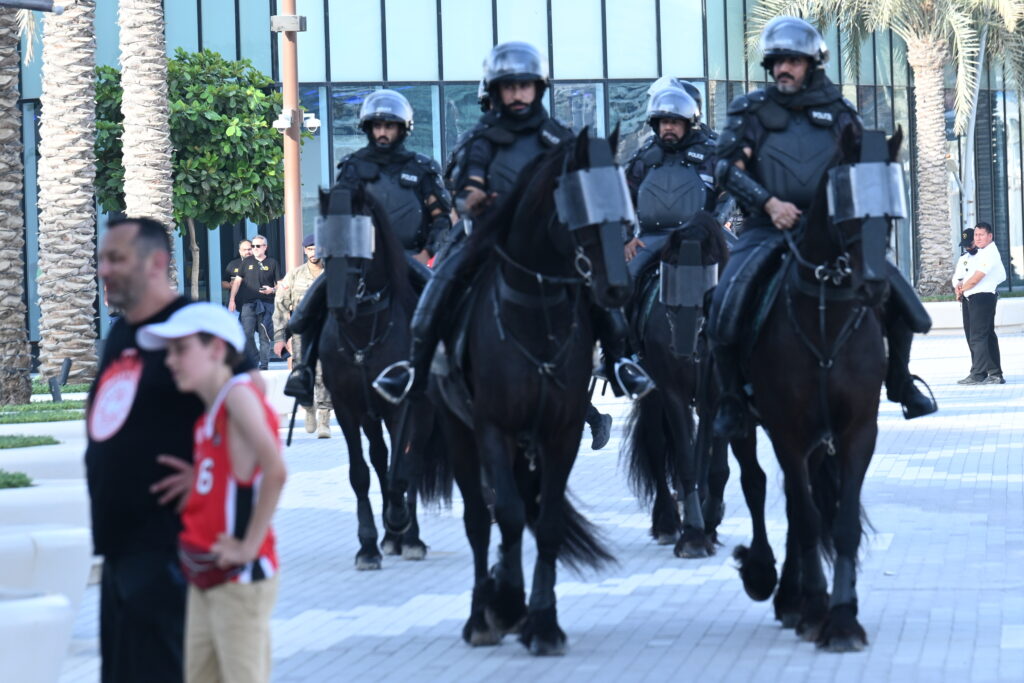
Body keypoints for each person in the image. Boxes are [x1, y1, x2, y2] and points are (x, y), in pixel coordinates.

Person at [373, 40, 654, 406]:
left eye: (525, 85)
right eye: (509, 86)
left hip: (551, 242)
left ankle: (619, 361)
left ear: (538, 88)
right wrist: (470, 196)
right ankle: (414, 367)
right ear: (497, 91)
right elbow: (464, 177)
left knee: (593, 282)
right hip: (490, 240)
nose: (518, 93)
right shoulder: (482, 138)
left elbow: (583, 183)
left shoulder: (559, 137)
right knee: (442, 280)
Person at [708, 16, 937, 437]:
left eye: (793, 60)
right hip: (766, 226)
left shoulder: (840, 113)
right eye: (777, 61)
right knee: (725, 300)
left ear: (812, 64)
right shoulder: (751, 111)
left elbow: (863, 168)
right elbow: (725, 167)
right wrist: (768, 202)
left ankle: (901, 381)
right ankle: (731, 399)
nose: (783, 69)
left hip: (832, 231)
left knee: (898, 296)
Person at [86, 217, 259, 683]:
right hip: (119, 546)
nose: (104, 269)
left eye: (116, 259)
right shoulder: (123, 335)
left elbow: (253, 415)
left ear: (158, 262)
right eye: (102, 258)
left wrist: (207, 473)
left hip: (173, 548)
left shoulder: (198, 330)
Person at [137, 302, 286, 683]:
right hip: (206, 572)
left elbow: (275, 470)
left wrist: (248, 547)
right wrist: (203, 477)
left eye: (181, 350)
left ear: (217, 350)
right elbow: (236, 473)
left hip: (236, 577)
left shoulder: (236, 395)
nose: (171, 361)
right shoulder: (213, 408)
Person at [334, 89, 452, 263]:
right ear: (369, 128)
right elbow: (338, 217)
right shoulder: (352, 167)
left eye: (389, 126)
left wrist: (426, 254)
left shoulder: (422, 168)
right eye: (377, 126)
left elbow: (442, 219)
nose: (382, 132)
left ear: (402, 128)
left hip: (413, 261)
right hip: (362, 265)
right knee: (322, 290)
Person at [623, 84, 717, 278]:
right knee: (625, 282)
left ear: (688, 123)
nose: (668, 127)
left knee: (737, 279)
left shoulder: (711, 154)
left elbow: (731, 195)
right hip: (650, 240)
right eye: (664, 122)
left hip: (704, 239)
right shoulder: (645, 157)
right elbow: (621, 199)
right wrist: (626, 238)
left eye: (675, 122)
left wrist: (714, 228)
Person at [274, 234, 332, 437]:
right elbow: (280, 307)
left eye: (316, 248)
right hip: (302, 335)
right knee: (302, 373)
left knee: (324, 375)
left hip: (327, 332)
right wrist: (280, 337)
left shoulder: (332, 274)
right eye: (309, 249)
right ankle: (309, 409)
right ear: (304, 251)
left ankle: (324, 420)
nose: (313, 252)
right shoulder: (295, 275)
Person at [955, 221, 1006, 384]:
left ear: (990, 236)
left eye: (981, 235)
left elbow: (978, 277)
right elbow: (963, 275)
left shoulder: (990, 252)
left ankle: (978, 374)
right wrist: (960, 287)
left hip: (982, 297)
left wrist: (962, 289)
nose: (977, 238)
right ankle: (995, 373)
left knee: (978, 336)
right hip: (972, 297)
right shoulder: (980, 252)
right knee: (985, 335)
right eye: (976, 235)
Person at [229, 234, 282, 370]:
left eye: (258, 246)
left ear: (265, 247)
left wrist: (272, 289)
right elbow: (237, 281)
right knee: (246, 333)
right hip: (248, 304)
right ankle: (255, 357)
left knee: (265, 337)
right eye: (253, 246)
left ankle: (264, 365)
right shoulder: (246, 262)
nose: (255, 249)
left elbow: (280, 284)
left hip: (267, 304)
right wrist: (232, 300)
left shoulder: (272, 262)